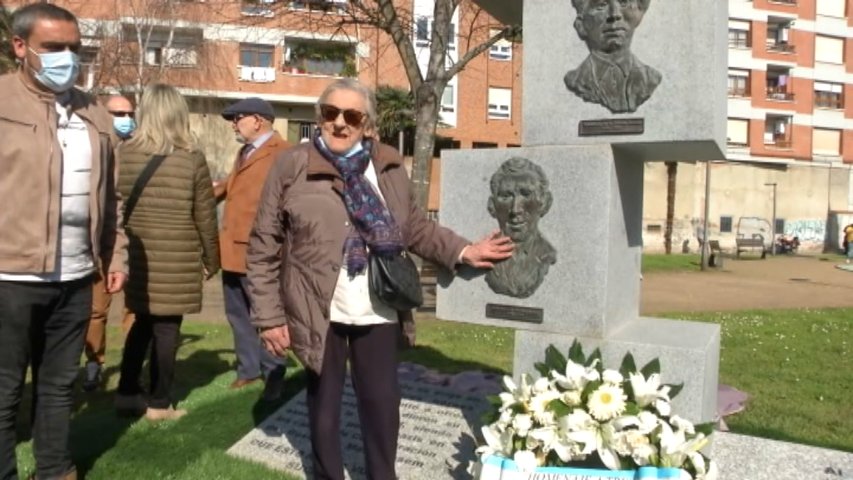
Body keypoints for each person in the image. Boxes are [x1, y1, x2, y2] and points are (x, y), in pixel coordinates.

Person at [246, 78, 514, 480]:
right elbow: (263, 244)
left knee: (382, 404)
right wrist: (269, 317)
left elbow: (415, 228)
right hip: (317, 306)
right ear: (319, 117)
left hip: (378, 306)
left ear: (367, 124)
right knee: (324, 405)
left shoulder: (387, 165)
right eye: (330, 113)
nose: (339, 123)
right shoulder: (293, 164)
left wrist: (463, 251)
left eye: (351, 115)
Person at [0, 4, 128, 480]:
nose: (67, 58)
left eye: (74, 48)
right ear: (20, 47)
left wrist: (116, 254)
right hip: (9, 277)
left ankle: (54, 470)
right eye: (53, 48)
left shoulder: (94, 111)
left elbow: (112, 196)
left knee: (58, 386)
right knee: (5, 388)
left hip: (75, 275)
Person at [114, 83, 220, 422]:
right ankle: (159, 403)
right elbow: (205, 215)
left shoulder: (124, 153)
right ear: (178, 115)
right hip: (177, 257)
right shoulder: (191, 159)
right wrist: (211, 259)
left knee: (142, 323)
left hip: (138, 254)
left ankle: (127, 393)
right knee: (166, 330)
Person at [214, 97, 290, 400]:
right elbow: (230, 189)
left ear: (258, 120)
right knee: (238, 314)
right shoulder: (244, 152)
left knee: (268, 315)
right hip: (232, 249)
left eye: (238, 118)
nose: (234, 124)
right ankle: (248, 370)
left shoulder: (284, 154)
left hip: (261, 253)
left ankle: (275, 373)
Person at [82, 94, 138, 392]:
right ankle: (94, 362)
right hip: (103, 243)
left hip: (136, 241)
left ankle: (131, 365)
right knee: (96, 309)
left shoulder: (141, 150)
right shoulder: (94, 148)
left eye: (129, 113)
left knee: (134, 308)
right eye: (118, 113)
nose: (125, 119)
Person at [563, 0, 661, 113]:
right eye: (601, 5)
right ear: (581, 24)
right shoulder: (576, 80)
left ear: (639, 12)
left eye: (624, 2)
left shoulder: (650, 78)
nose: (615, 14)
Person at [485, 157, 557, 298]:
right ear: (492, 206)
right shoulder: (486, 256)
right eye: (506, 197)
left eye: (526, 195)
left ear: (545, 203)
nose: (515, 209)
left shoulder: (546, 254)